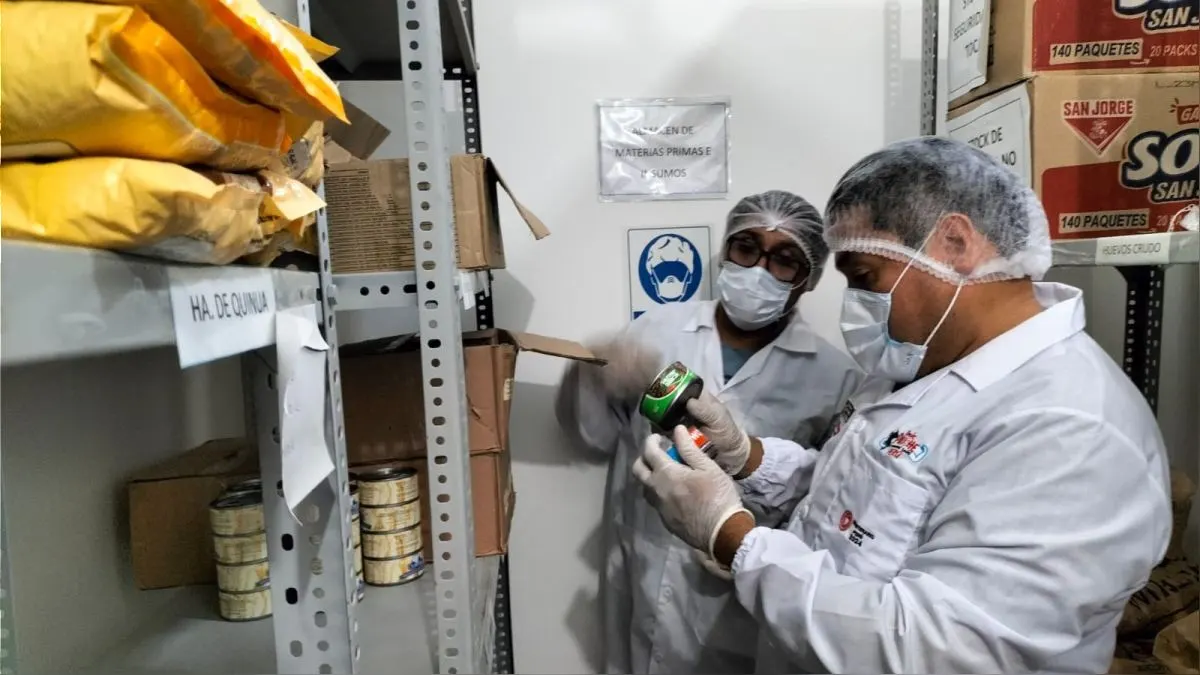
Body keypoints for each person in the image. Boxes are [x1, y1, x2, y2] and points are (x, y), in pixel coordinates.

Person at [632, 137, 1173, 674]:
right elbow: (849, 498)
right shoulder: (916, 362)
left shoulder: (1071, 427)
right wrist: (746, 456)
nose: (855, 304)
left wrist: (731, 536)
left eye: (865, 277)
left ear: (955, 243)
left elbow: (940, 650)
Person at [556, 190, 864, 674]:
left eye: (784, 260)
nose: (759, 269)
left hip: (733, 595)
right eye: (746, 248)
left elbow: (825, 498)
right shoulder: (656, 330)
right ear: (725, 252)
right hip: (641, 566)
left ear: (808, 279)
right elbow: (593, 437)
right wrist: (590, 379)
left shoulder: (835, 377)